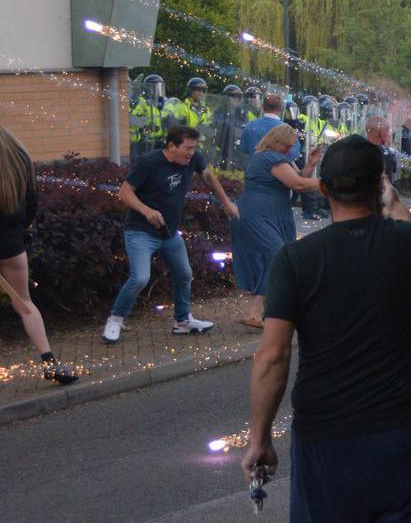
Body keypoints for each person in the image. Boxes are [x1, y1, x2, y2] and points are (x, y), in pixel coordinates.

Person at [241, 136, 411, 523]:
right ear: (380, 185)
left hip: (327, 435)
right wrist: (393, 204)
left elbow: (273, 356)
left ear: (324, 189)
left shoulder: (295, 259)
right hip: (405, 425)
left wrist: (260, 437)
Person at [103, 126, 239, 344]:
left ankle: (182, 321)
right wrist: (147, 211)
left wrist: (226, 202)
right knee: (140, 277)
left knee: (184, 274)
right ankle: (116, 319)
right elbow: (124, 192)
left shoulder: (193, 159)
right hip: (140, 231)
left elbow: (208, 176)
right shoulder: (150, 163)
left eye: (194, 148)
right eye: (187, 148)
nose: (191, 153)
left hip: (169, 233)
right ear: (171, 146)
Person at [0, 124, 76, 384]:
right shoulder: (17, 153)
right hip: (11, 244)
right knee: (24, 303)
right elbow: (31, 203)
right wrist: (18, 230)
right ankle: (49, 361)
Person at [234, 125, 325, 329]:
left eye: (291, 147)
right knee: (278, 258)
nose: (289, 150)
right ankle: (255, 311)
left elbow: (299, 178)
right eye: (287, 145)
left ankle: (269, 310)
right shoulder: (270, 158)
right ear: (276, 141)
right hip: (260, 214)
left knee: (275, 260)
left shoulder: (273, 158)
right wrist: (330, 182)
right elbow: (298, 185)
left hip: (269, 214)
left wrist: (310, 165)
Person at [238, 94, 299, 159]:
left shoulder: (249, 126)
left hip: (254, 167)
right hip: (279, 168)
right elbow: (293, 153)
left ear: (262, 107)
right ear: (281, 108)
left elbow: (244, 149)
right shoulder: (287, 130)